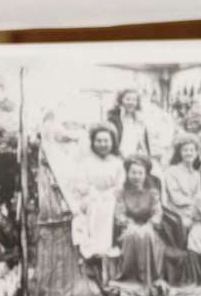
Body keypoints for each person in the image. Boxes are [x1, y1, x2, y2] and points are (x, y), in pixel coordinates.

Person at [69, 123, 125, 264]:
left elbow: (121, 185)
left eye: (106, 141)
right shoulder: (86, 162)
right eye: (98, 141)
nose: (102, 144)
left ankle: (106, 249)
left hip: (111, 198)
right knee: (91, 208)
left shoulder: (117, 163)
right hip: (90, 197)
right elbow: (80, 183)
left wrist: (109, 193)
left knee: (108, 207)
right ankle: (92, 251)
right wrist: (91, 191)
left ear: (112, 142)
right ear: (93, 142)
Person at [114, 155, 166, 286]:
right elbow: (119, 213)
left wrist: (150, 224)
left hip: (149, 227)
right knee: (132, 234)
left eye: (140, 173)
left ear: (145, 175)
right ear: (128, 174)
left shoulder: (152, 193)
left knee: (146, 235)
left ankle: (148, 276)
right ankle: (131, 275)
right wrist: (128, 223)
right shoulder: (122, 192)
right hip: (128, 227)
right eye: (133, 172)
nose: (136, 176)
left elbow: (157, 212)